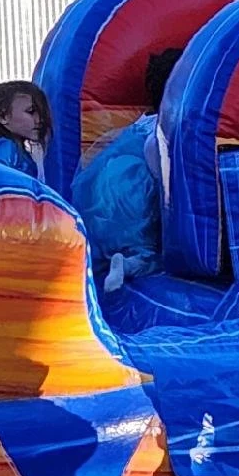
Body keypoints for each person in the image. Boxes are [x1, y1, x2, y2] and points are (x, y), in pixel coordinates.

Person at [73, 48, 182, 293]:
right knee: (154, 256)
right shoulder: (163, 129)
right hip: (133, 201)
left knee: (122, 244)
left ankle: (120, 260)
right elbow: (163, 178)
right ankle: (131, 264)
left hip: (101, 203)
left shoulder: (140, 123)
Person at [0, 82, 53, 183]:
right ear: (3, 117)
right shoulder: (5, 148)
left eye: (41, 112)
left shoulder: (14, 148)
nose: (39, 119)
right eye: (31, 112)